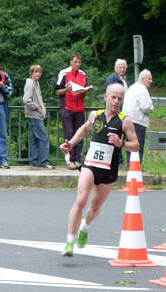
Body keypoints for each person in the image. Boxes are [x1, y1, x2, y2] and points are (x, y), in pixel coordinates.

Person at [60, 83, 139, 256]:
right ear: (106, 97)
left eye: (120, 98)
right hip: (90, 165)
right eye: (113, 97)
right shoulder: (96, 115)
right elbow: (84, 129)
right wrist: (71, 143)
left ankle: (84, 226)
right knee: (81, 200)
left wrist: (122, 144)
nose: (116, 101)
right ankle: (69, 242)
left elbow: (136, 145)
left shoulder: (125, 121)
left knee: (94, 208)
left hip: (108, 170)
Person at [55, 53, 93, 170]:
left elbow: (84, 90)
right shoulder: (64, 73)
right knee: (69, 134)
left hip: (79, 108)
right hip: (67, 107)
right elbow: (58, 91)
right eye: (75, 62)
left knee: (79, 134)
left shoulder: (83, 74)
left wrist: (87, 90)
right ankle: (69, 160)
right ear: (71, 62)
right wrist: (67, 89)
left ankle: (77, 159)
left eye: (79, 62)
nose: (77, 64)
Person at [23, 65, 55, 169]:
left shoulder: (36, 83)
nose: (38, 74)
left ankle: (34, 161)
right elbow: (26, 99)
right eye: (36, 72)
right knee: (43, 137)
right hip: (33, 114)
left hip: (35, 115)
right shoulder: (30, 83)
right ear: (31, 73)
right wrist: (37, 107)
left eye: (39, 72)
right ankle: (43, 161)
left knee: (34, 138)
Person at [122, 69, 154, 167]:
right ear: (143, 79)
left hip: (127, 119)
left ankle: (129, 164)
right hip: (137, 121)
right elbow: (146, 107)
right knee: (137, 144)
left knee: (129, 143)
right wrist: (152, 107)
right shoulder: (142, 89)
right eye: (149, 79)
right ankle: (136, 166)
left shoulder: (132, 87)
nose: (151, 81)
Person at [105, 58, 130, 166]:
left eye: (124, 67)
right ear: (115, 68)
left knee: (121, 134)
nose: (122, 69)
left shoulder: (125, 80)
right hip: (114, 110)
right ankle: (117, 160)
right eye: (120, 67)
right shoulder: (112, 79)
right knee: (114, 133)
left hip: (122, 110)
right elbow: (109, 95)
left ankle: (119, 160)